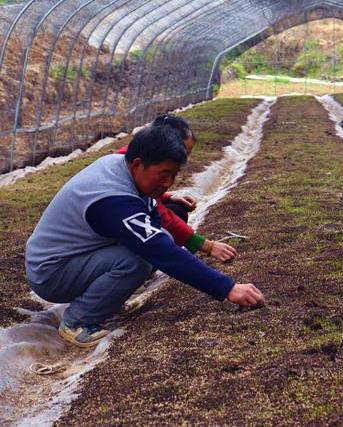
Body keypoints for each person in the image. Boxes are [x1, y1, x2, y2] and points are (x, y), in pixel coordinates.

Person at [25, 125, 265, 348]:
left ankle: (102, 300)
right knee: (137, 260)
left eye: (174, 175)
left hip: (76, 257)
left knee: (156, 245)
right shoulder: (111, 198)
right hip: (51, 273)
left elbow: (155, 225)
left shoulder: (121, 166)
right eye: (163, 175)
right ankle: (76, 322)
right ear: (138, 164)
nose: (168, 183)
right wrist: (227, 288)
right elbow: (159, 250)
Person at [116, 114, 236, 262]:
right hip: (108, 241)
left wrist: (169, 197)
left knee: (176, 210)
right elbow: (159, 213)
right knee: (161, 238)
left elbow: (145, 196)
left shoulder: (142, 156)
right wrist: (206, 245)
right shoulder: (133, 163)